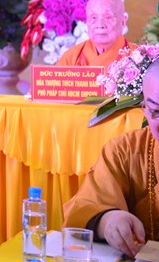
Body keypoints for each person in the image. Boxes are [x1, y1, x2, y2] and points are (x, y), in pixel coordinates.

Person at [63, 59, 159, 258]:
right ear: (144, 108)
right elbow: (86, 205)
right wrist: (108, 220)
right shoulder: (125, 150)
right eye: (156, 111)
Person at [57, 0, 138, 69]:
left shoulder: (139, 57)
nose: (100, 25)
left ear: (122, 22)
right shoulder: (71, 57)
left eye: (108, 17)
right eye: (93, 18)